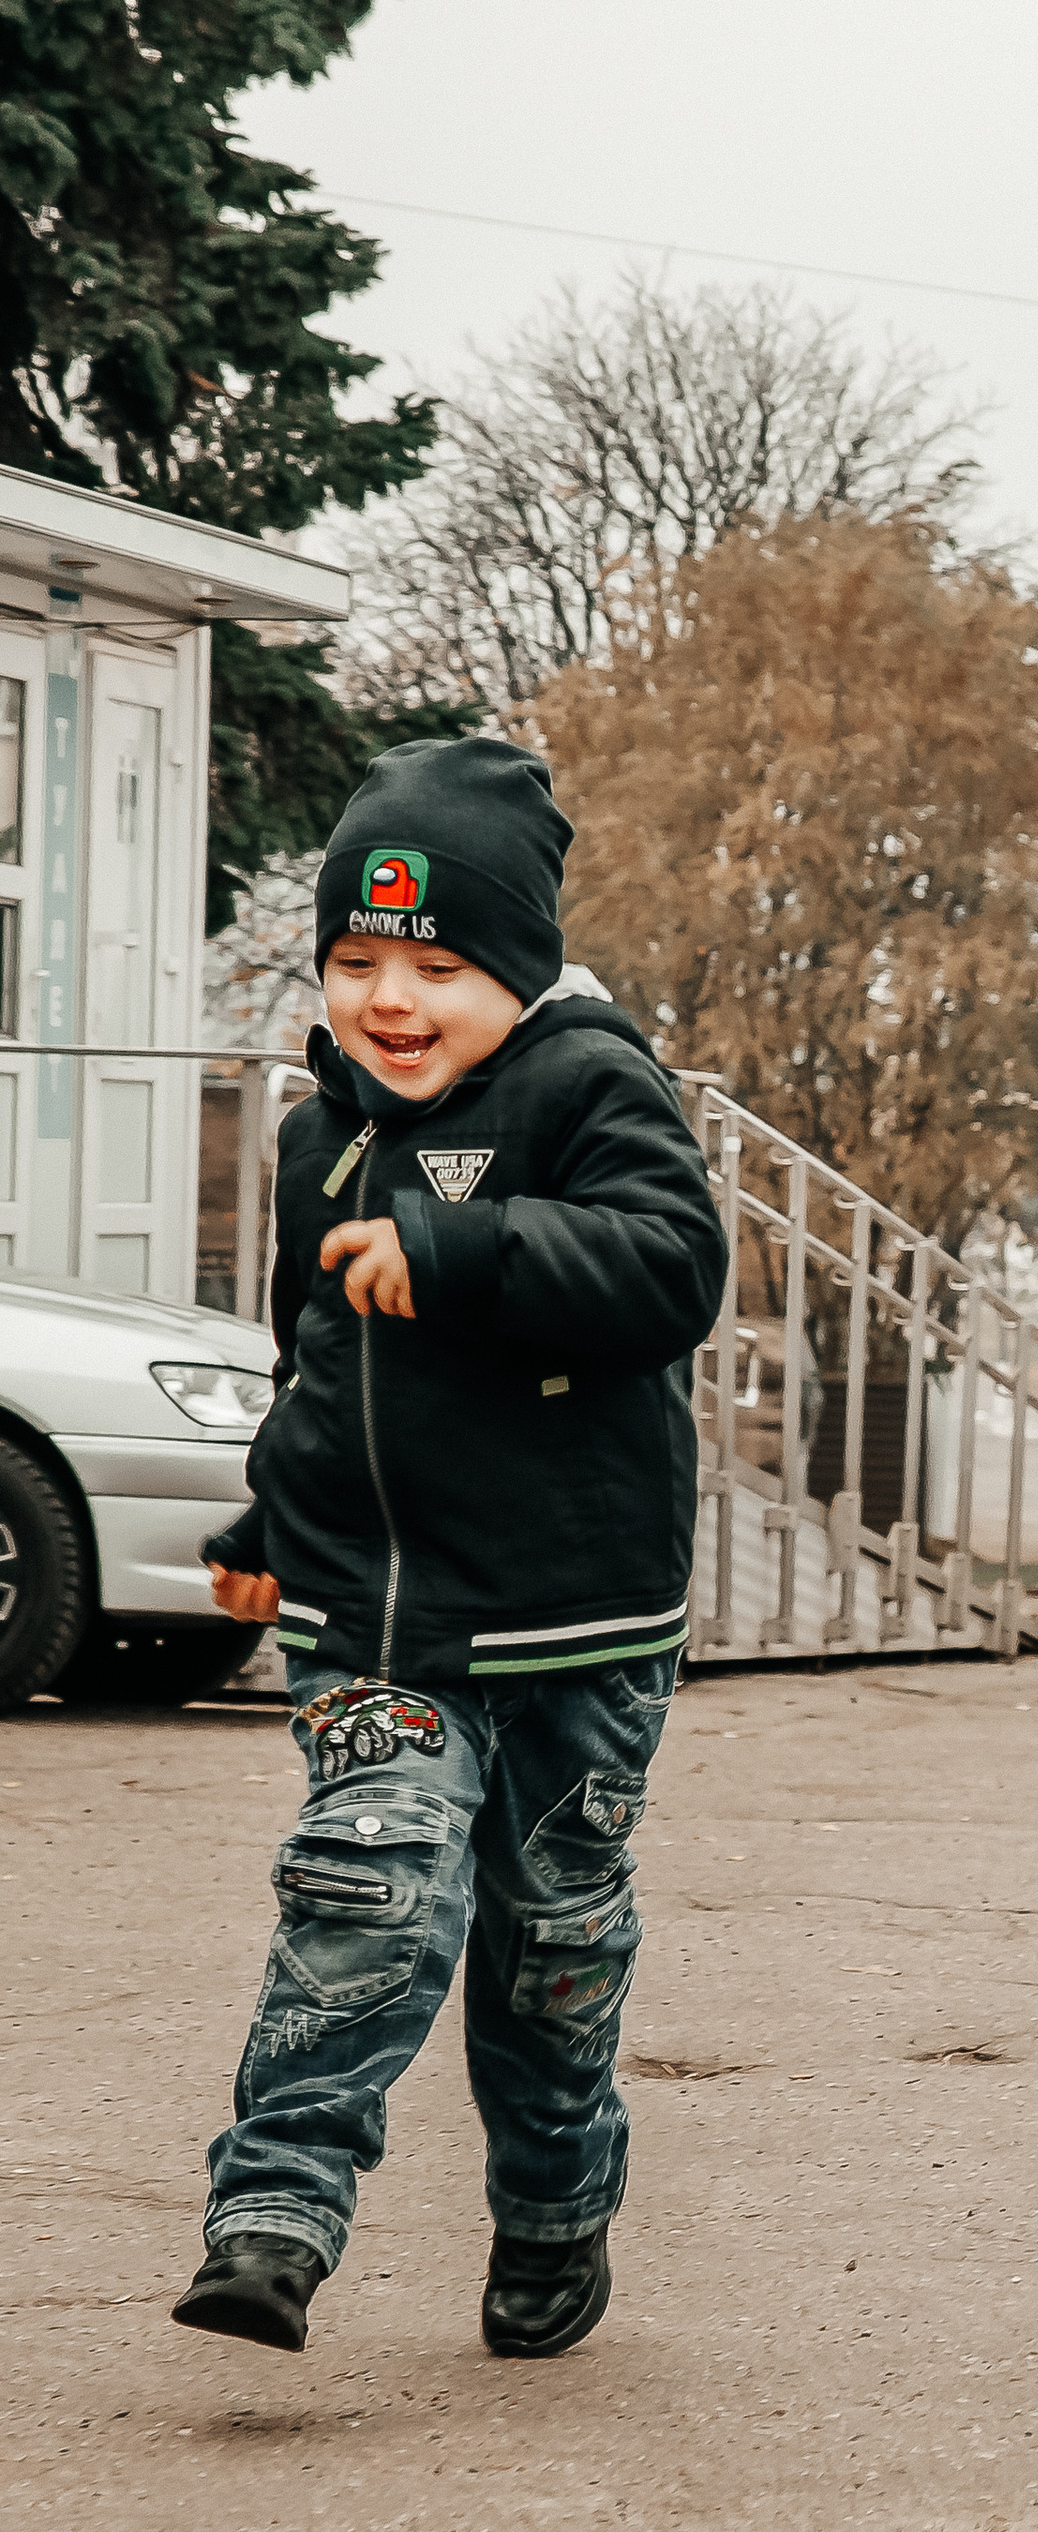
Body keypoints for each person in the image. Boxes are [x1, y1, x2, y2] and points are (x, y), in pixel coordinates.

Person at [170, 739, 728, 2362]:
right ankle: (274, 2213)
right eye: (355, 963)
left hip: (576, 1623)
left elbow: (667, 1263)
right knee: (372, 1883)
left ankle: (554, 2209)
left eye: (438, 966)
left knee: (551, 1952)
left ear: (520, 970)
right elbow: (313, 1358)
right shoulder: (315, 1142)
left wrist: (468, 1248)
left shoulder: (588, 1087)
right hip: (382, 1623)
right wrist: (273, 1517)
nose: (391, 1001)